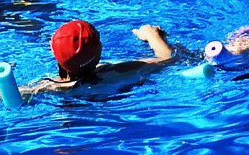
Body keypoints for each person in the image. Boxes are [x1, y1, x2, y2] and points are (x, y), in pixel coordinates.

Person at [16, 20, 179, 97]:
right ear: (98, 52)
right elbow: (168, 58)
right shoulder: (116, 71)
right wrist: (152, 35)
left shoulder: (51, 86)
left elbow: (11, 95)